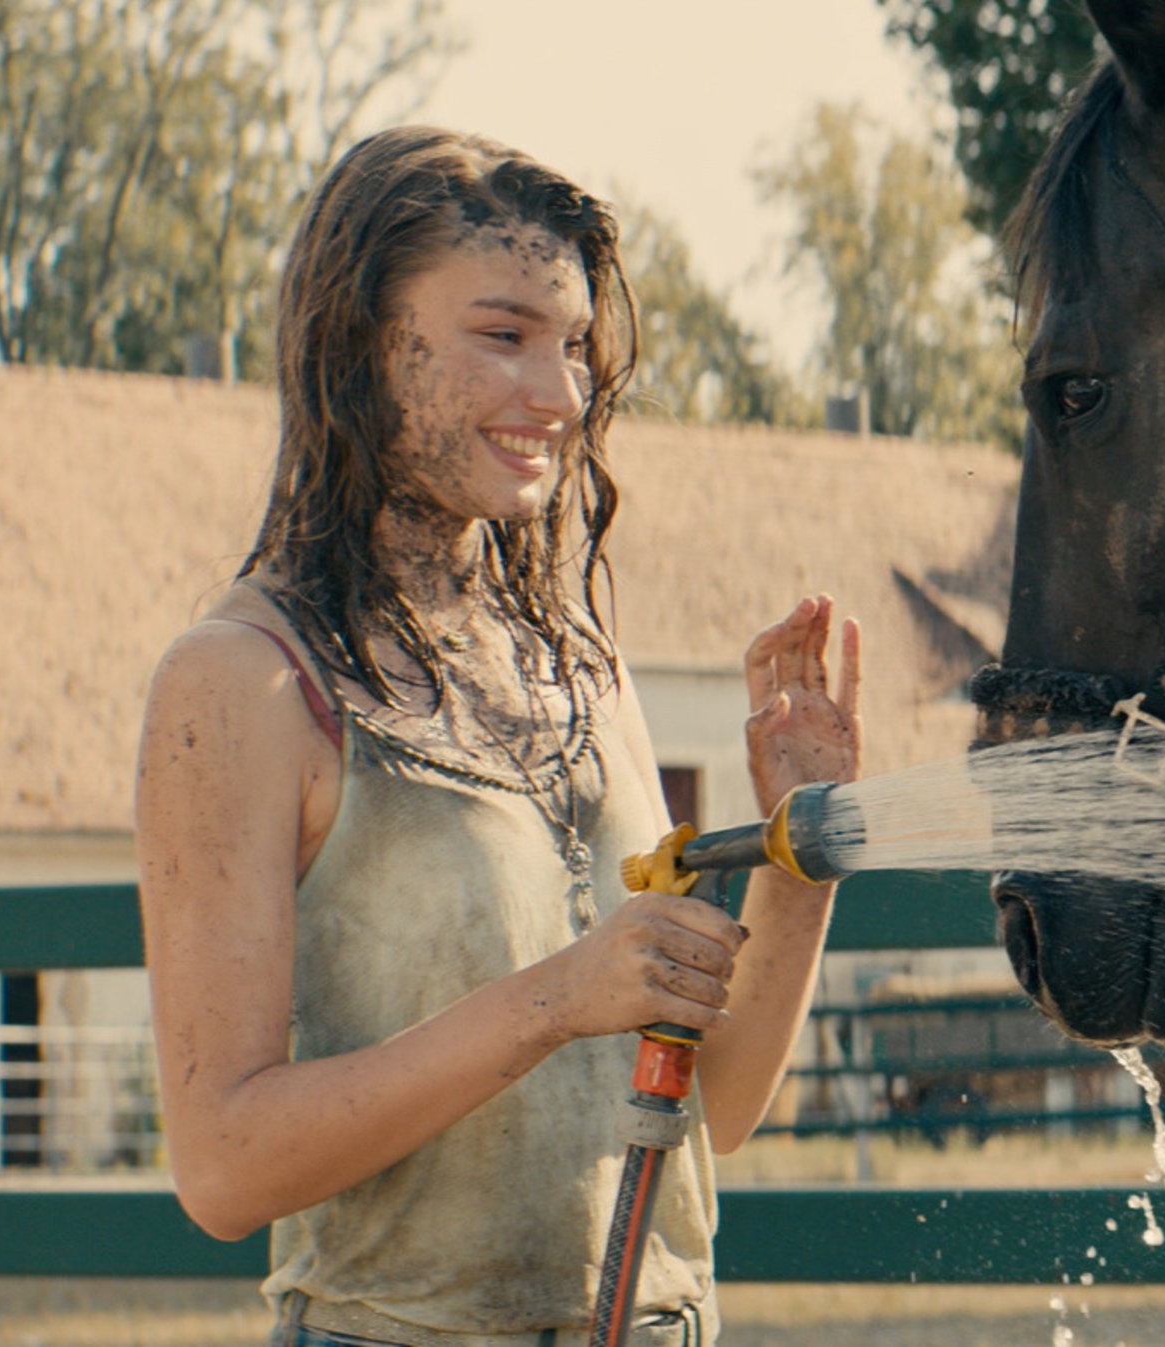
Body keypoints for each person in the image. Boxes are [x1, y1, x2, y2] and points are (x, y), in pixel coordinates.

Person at [134, 126, 859, 1347]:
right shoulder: (240, 686)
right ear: (363, 340)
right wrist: (555, 999)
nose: (563, 393)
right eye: (504, 334)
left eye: (573, 344)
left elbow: (718, 1112)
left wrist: (798, 854)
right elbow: (223, 1166)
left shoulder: (581, 664)